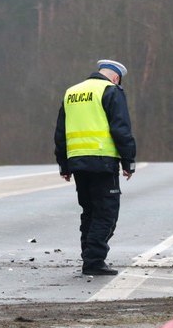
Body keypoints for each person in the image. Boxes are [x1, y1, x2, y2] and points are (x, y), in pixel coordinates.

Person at [54, 59, 137, 276]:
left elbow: (60, 132)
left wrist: (63, 164)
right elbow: (121, 129)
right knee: (106, 213)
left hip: (78, 162)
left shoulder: (71, 92)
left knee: (89, 211)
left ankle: (89, 258)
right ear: (116, 77)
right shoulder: (110, 91)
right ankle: (94, 260)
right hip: (103, 161)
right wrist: (129, 161)